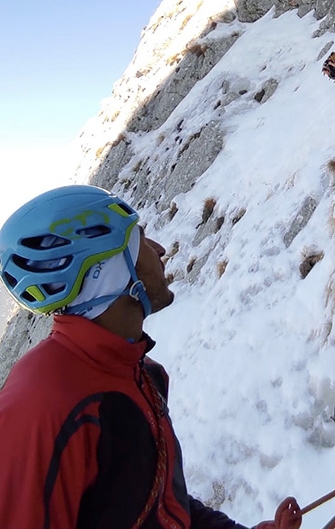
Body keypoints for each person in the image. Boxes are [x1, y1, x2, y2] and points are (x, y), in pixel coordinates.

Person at [0, 185, 301, 529]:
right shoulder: (41, 410)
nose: (159, 250)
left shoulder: (139, 371)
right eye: (139, 240)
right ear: (108, 271)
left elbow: (159, 506)